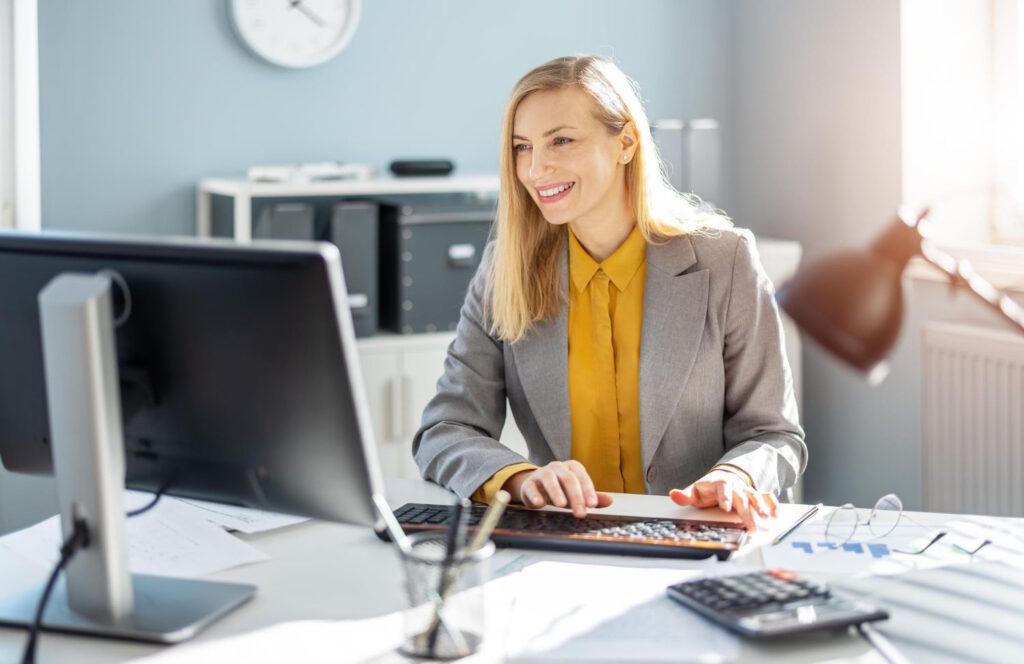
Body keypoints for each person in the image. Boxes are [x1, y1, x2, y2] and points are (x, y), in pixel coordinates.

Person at [412, 55, 805, 531]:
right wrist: (521, 479)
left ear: (625, 142)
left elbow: (774, 435)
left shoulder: (725, 261)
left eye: (561, 140)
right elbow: (445, 430)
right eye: (522, 147)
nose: (537, 169)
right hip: (564, 546)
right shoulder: (505, 271)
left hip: (697, 540)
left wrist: (736, 474)